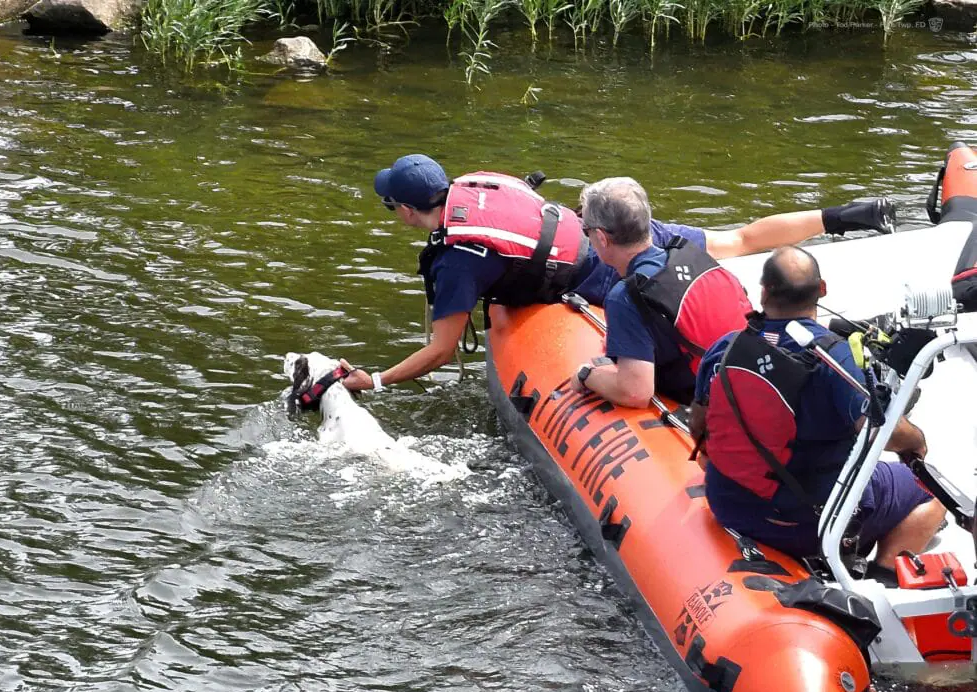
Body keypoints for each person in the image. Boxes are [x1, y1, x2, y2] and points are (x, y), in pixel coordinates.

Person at [341, 154, 896, 393]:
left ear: (410, 211)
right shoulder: (479, 184)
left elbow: (440, 349)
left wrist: (378, 380)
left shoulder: (458, 257)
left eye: (394, 208)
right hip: (627, 231)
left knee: (664, 308)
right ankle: (846, 215)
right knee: (742, 237)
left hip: (597, 271)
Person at [688, 247, 945, 580]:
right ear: (822, 289)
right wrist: (917, 441)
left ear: (764, 292)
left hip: (730, 505)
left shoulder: (726, 347)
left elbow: (698, 425)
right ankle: (883, 576)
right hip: (809, 522)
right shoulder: (836, 360)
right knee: (932, 488)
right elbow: (882, 430)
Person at [570, 177, 756, 407]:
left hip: (719, 401)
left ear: (601, 238)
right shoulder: (690, 253)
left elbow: (636, 393)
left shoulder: (626, 296)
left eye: (585, 229)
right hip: (750, 375)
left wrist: (586, 376)